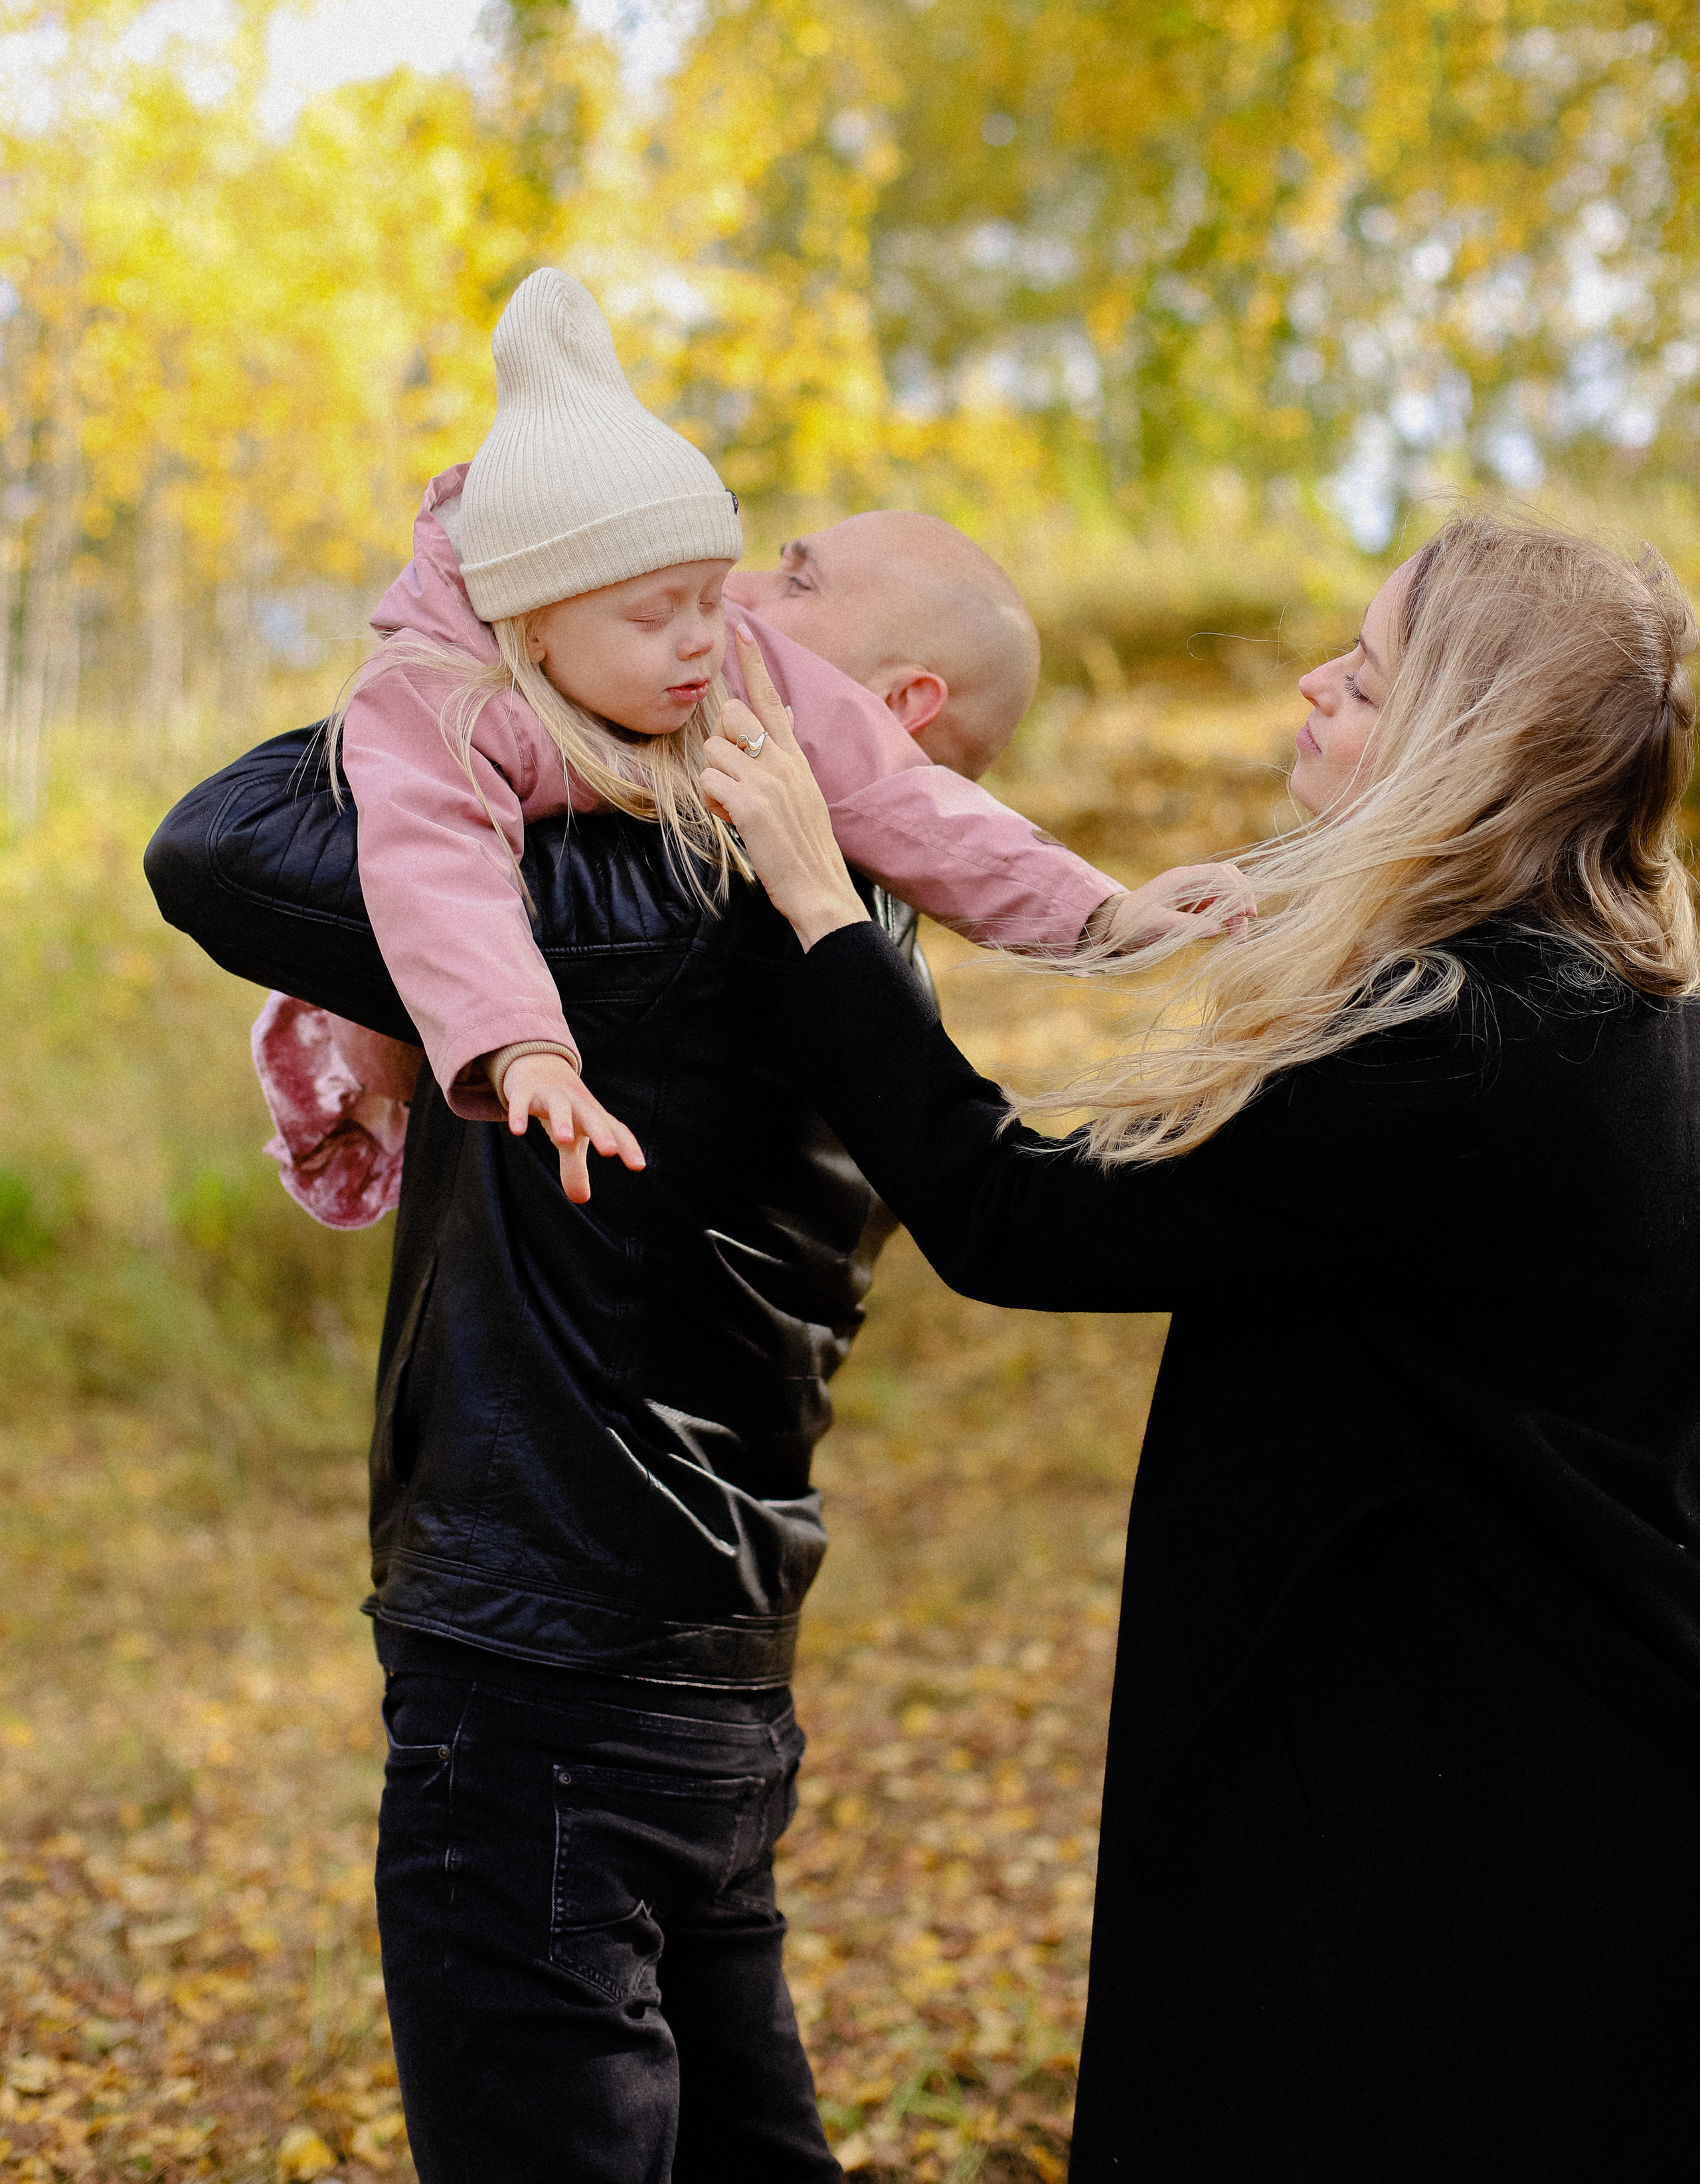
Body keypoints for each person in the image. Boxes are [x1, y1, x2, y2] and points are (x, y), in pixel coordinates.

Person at [144, 274, 1244, 2183]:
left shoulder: (648, 898)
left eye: (792, 587)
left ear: (892, 717)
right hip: (712, 1662)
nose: (735, 617)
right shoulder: (856, 967)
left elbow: (221, 837)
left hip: (545, 1658)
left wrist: (466, 653)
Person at [700, 507, 1700, 2183]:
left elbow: (1022, 1221)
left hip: (1455, 1816)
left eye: (1367, 681)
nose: (1313, 685)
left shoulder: (1458, 1045)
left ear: (1467, 742)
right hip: (1556, 1773)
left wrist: (816, 903)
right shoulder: (1624, 1010)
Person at [304, 264, 1229, 1218]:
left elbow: (904, 794)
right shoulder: (440, 696)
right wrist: (523, 1041)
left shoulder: (730, 675)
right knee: (372, 1039)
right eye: (663, 612)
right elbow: (437, 863)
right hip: (419, 1000)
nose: (717, 626)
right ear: (535, 624)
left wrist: (1099, 916)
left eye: (723, 589)